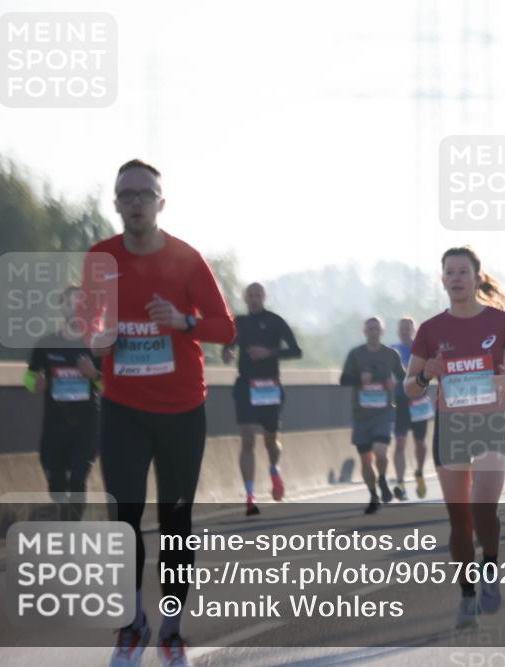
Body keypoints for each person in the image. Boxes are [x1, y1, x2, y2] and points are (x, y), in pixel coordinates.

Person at [80, 159, 237, 667]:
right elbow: (87, 320)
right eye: (128, 194)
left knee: (175, 520)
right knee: (122, 520)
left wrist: (183, 320)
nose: (137, 202)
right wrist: (96, 337)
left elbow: (225, 329)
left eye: (146, 194)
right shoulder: (100, 257)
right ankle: (132, 624)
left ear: (161, 203)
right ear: (117, 203)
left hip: (181, 410)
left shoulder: (188, 259)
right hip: (123, 409)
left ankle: (171, 629)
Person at [403, 246, 505, 630]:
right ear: (442, 280)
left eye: (463, 271)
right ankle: (467, 595)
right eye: (450, 272)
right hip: (451, 428)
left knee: (482, 510)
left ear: (477, 278)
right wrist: (426, 375)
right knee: (459, 521)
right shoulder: (429, 330)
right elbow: (409, 387)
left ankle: (489, 565)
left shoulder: (501, 321)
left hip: (490, 424)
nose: (456, 278)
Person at [222, 282, 302, 516]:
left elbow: (296, 351)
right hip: (246, 386)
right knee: (247, 440)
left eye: (258, 295)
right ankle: (250, 495)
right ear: (245, 298)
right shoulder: (239, 322)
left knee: (270, 441)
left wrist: (270, 352)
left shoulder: (276, 321)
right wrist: (227, 353)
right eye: (250, 295)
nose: (254, 299)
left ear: (264, 297)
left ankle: (274, 470)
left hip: (269, 387)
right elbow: (228, 348)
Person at [25, 285, 101, 516]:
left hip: (86, 425)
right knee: (56, 485)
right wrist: (35, 385)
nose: (73, 309)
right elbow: (30, 378)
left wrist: (94, 375)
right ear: (62, 309)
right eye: (68, 304)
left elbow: (111, 387)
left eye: (79, 304)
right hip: (55, 425)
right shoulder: (46, 344)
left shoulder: (97, 346)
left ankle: (72, 531)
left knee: (77, 481)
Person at [340, 317, 406, 514]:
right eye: (369, 328)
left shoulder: (390, 354)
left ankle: (383, 479)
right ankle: (373, 495)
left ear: (382, 331)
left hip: (384, 411)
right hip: (361, 414)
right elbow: (343, 380)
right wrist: (360, 379)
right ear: (364, 332)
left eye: (376, 328)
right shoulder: (356, 354)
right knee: (365, 459)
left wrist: (395, 382)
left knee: (380, 451)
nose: (373, 332)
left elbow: (403, 376)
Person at [392, 317, 432, 500]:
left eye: (408, 328)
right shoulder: (393, 350)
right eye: (401, 329)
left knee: (420, 443)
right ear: (398, 331)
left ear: (413, 330)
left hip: (419, 401)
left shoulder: (422, 347)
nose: (404, 331)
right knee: (399, 442)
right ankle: (400, 483)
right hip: (400, 402)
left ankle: (419, 473)